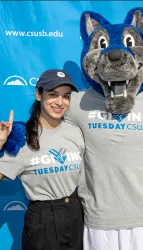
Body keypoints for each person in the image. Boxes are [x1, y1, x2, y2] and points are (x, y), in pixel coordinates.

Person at [0, 69, 85, 250]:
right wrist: (0, 143)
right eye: (53, 95)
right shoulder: (21, 136)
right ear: (39, 94)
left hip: (75, 213)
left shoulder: (75, 131)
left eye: (66, 96)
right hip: (43, 219)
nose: (60, 102)